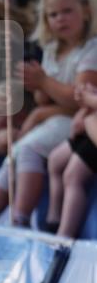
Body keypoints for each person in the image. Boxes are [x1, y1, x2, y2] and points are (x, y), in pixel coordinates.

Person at [0, 0, 97, 227]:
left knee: (28, 149)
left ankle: (21, 219)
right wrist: (38, 88)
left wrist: (44, 83)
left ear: (86, 12)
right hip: (56, 119)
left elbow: (79, 99)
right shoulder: (51, 50)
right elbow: (44, 100)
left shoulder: (91, 49)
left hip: (76, 123)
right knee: (15, 153)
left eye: (67, 11)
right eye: (53, 14)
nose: (60, 19)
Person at [46, 81, 97, 238]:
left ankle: (64, 235)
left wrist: (89, 99)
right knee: (55, 159)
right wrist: (86, 98)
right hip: (90, 125)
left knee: (72, 175)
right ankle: (54, 218)